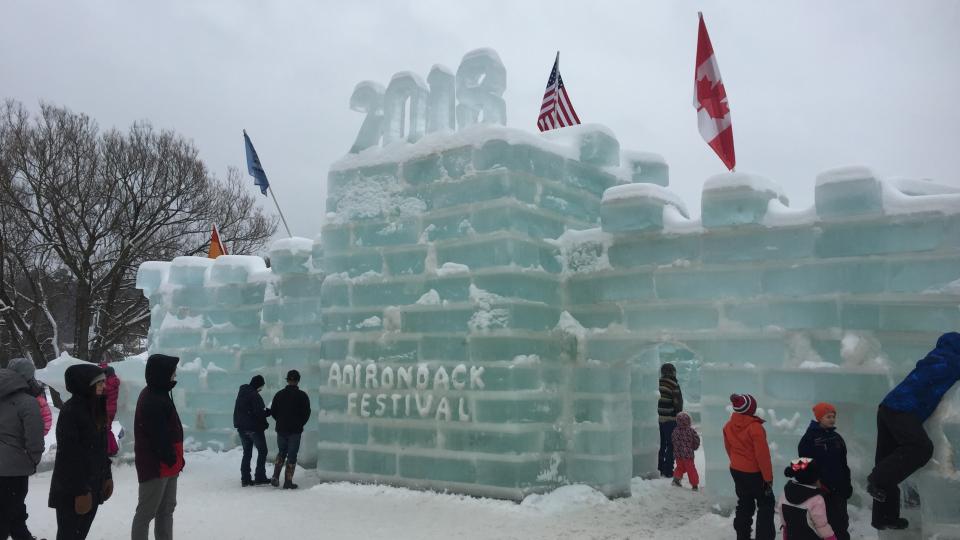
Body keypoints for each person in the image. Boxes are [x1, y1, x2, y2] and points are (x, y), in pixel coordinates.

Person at [868, 332, 960, 531]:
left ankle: (884, 517)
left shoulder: (936, 357)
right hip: (902, 409)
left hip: (888, 407)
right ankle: (876, 478)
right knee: (921, 448)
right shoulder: (951, 361)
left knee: (888, 459)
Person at [48, 363, 113, 540]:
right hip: (73, 489)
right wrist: (80, 490)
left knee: (80, 534)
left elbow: (101, 448)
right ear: (86, 384)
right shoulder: (71, 411)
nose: (104, 386)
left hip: (93, 484)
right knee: (69, 535)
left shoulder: (96, 408)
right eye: (99, 383)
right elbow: (69, 457)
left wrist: (107, 475)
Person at [132, 354, 184, 540]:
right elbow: (158, 436)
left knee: (166, 510)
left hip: (169, 465)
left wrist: (176, 460)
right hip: (156, 466)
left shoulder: (159, 393)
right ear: (163, 374)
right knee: (146, 513)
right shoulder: (152, 398)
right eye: (172, 372)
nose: (175, 375)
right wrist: (171, 457)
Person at [0, 358, 45, 540]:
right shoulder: (27, 402)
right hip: (13, 468)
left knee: (12, 508)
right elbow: (34, 437)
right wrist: (33, 459)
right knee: (8, 511)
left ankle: (23, 536)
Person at [723, 393, 774, 540]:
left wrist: (737, 463)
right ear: (751, 409)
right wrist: (768, 478)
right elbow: (762, 456)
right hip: (755, 473)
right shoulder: (755, 428)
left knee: (744, 503)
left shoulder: (728, 426)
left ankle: (742, 535)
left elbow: (729, 448)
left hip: (737, 470)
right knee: (766, 504)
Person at [798, 402, 851, 540]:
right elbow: (802, 463)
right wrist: (813, 483)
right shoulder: (809, 438)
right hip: (822, 489)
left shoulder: (837, 438)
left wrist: (847, 484)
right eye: (828, 416)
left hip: (839, 488)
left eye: (833, 416)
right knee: (824, 524)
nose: (832, 419)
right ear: (819, 418)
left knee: (841, 522)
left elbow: (844, 464)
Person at [269, 369, 311, 489]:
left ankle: (275, 476)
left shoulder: (279, 394)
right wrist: (300, 423)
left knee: (281, 452)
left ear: (287, 380)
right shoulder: (303, 396)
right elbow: (307, 413)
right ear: (298, 381)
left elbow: (273, 411)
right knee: (292, 455)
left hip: (281, 429)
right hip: (295, 431)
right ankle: (288, 481)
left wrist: (280, 421)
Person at [777, 457, 838, 540]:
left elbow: (784, 519)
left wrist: (786, 533)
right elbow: (821, 526)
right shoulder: (816, 499)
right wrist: (831, 538)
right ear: (815, 478)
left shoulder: (785, 493)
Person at [233, 374, 271, 487]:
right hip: (253, 428)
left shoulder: (242, 393)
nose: (261, 389)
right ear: (258, 385)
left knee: (247, 452)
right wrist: (269, 412)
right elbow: (259, 413)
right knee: (263, 451)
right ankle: (259, 476)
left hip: (241, 428)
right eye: (261, 386)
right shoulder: (255, 396)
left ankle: (245, 478)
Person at [657, 362, 683, 477]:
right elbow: (678, 403)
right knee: (671, 444)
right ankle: (668, 470)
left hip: (658, 418)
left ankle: (659, 467)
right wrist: (679, 415)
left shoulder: (658, 383)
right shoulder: (674, 384)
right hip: (670, 419)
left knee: (661, 444)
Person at [670, 411, 700, 490]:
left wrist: (677, 448)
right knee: (691, 469)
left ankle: (676, 479)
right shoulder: (691, 431)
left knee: (680, 467)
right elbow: (696, 440)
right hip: (688, 455)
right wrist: (694, 447)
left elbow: (673, 440)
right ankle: (694, 484)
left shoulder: (675, 431)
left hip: (678, 454)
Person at [102, 366, 120, 456]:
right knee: (107, 429)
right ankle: (111, 449)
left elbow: (100, 393)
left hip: (106, 409)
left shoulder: (105, 384)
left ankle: (109, 450)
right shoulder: (115, 382)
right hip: (112, 409)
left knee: (105, 429)